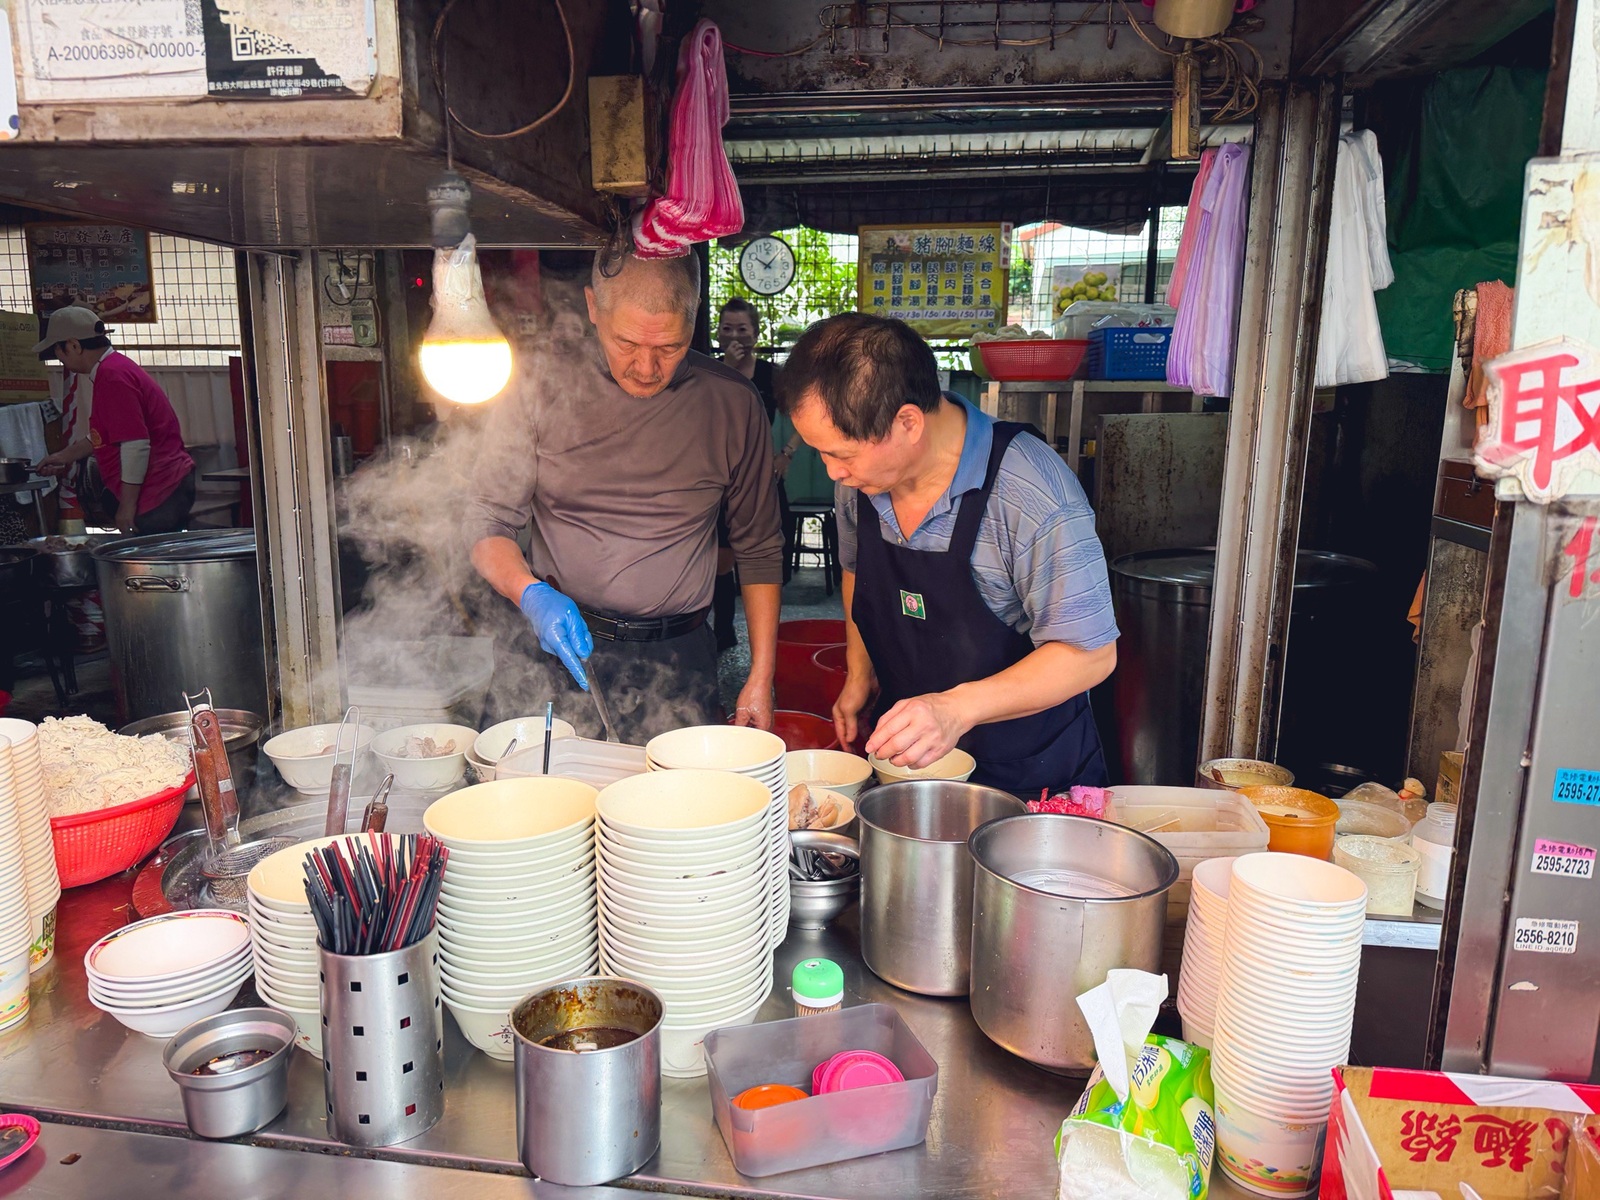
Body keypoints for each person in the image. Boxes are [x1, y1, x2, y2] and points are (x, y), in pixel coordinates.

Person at [781, 313, 1118, 792]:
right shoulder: (859, 483)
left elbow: (1091, 655)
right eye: (822, 452)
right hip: (912, 767)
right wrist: (860, 672)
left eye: (842, 454)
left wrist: (954, 709)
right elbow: (857, 570)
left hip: (1028, 774)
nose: (832, 471)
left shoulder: (1030, 491)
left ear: (908, 422)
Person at [468, 249, 784, 744]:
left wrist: (761, 676)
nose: (646, 368)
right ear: (594, 307)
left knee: (676, 794)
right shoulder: (537, 387)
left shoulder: (733, 403)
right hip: (558, 647)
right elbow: (488, 520)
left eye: (670, 346)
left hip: (678, 656)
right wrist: (529, 593)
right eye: (627, 343)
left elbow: (760, 547)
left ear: (695, 315)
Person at [33, 306, 196, 535]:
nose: (59, 359)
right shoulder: (113, 368)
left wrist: (126, 506)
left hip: (158, 489)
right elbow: (103, 434)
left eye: (57, 351)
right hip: (165, 484)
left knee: (152, 556)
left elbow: (136, 445)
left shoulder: (112, 376)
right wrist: (63, 457)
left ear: (74, 346)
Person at [712, 297, 800, 651]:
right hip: (721, 479)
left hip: (763, 479)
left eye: (742, 329)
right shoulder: (710, 372)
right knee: (722, 559)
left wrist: (786, 453)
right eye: (727, 328)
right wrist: (728, 370)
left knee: (767, 556)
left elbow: (804, 414)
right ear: (718, 334)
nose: (735, 336)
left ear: (756, 334)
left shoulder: (770, 374)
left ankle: (766, 644)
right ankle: (723, 632)